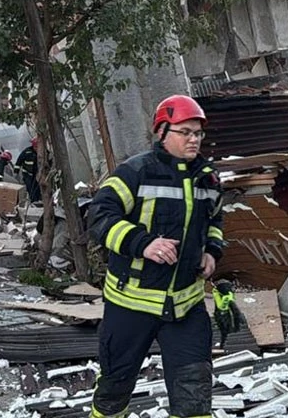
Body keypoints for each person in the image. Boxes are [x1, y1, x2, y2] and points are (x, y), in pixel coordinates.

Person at [86, 95, 227, 418]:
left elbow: (216, 220)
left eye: (198, 133)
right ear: (162, 132)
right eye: (185, 132)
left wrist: (212, 251)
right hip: (131, 305)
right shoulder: (135, 172)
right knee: (113, 390)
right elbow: (98, 216)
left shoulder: (208, 177)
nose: (194, 139)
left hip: (186, 306)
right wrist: (142, 243)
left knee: (194, 396)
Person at [16, 138, 41, 205]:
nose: (37, 148)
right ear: (33, 146)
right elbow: (19, 161)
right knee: (30, 187)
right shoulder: (27, 151)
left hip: (35, 174)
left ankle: (39, 200)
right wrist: (16, 172)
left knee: (37, 187)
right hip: (27, 173)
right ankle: (34, 201)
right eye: (36, 147)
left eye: (38, 147)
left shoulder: (42, 152)